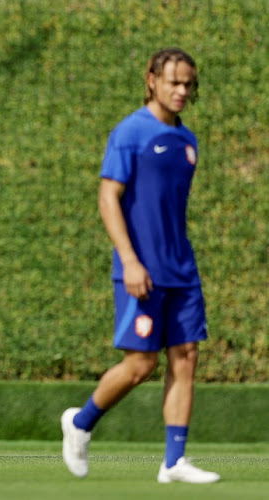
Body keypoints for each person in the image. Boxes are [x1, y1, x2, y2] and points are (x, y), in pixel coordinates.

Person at [61, 48, 220, 484]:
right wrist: (130, 261)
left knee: (185, 357)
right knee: (140, 365)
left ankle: (174, 462)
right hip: (140, 269)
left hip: (181, 271)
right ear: (151, 79)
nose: (182, 90)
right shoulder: (130, 132)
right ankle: (80, 423)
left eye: (188, 83)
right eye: (173, 82)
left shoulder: (188, 142)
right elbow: (108, 197)